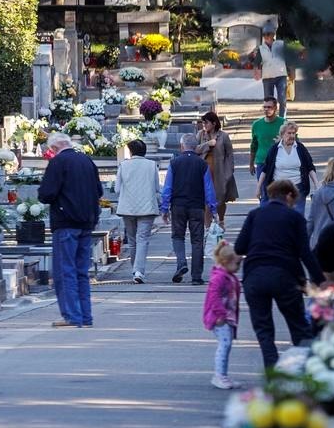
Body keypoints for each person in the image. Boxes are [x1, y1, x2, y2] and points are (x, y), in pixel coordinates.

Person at [234, 180, 325, 369]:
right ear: (289, 196)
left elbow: (239, 247)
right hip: (285, 277)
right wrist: (320, 281)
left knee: (264, 329)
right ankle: (306, 368)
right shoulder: (294, 218)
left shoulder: (254, 215)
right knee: (298, 326)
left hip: (254, 277)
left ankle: (272, 372)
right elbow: (305, 253)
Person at [38, 131, 104, 326]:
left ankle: (71, 316)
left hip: (66, 222)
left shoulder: (58, 163)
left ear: (55, 148)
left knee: (65, 270)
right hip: (87, 222)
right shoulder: (86, 161)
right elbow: (98, 191)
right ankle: (85, 316)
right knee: (82, 271)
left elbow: (46, 193)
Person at [161, 133, 218, 285]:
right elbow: (209, 189)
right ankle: (196, 276)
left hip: (178, 206)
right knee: (197, 240)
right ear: (196, 147)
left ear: (182, 146)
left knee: (178, 236)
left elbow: (167, 187)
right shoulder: (202, 164)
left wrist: (165, 208)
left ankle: (181, 263)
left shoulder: (174, 163)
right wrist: (213, 209)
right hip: (196, 206)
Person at [114, 139, 161, 283]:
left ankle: (135, 269)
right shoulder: (152, 165)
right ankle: (138, 271)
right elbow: (157, 188)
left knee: (133, 240)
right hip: (147, 207)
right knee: (142, 240)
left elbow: (117, 189)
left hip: (128, 208)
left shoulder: (124, 165)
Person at [203, 241, 243, 390]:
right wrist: (220, 314)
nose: (239, 267)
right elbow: (214, 297)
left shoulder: (229, 275)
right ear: (226, 262)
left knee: (227, 345)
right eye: (237, 264)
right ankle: (219, 376)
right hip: (220, 318)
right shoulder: (219, 277)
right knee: (225, 345)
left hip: (227, 316)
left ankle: (223, 375)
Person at [257, 122, 316, 215]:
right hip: (278, 189)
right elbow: (265, 169)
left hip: (298, 188)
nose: (292, 136)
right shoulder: (275, 149)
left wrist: (316, 184)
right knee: (278, 215)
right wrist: (259, 187)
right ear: (282, 134)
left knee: (297, 215)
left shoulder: (300, 148)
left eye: (293, 133)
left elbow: (310, 167)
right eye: (289, 133)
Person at [197, 111, 239, 224]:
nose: (204, 125)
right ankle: (207, 226)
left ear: (214, 123)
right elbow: (194, 149)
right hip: (205, 171)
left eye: (206, 123)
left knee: (220, 199)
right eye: (203, 123)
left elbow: (230, 154)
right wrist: (207, 144)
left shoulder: (223, 136)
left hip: (220, 171)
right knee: (206, 199)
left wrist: (230, 170)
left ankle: (221, 220)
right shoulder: (201, 134)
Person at [249, 98, 285, 199]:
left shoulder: (283, 123)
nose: (266, 109)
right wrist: (251, 163)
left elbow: (294, 141)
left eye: (269, 107)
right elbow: (253, 145)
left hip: (279, 162)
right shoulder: (257, 124)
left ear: (275, 108)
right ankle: (265, 213)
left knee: (278, 193)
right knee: (264, 193)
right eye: (264, 107)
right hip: (262, 162)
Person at [254, 25, 289, 114]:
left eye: (268, 34)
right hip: (267, 77)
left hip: (281, 75)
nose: (266, 36)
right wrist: (256, 72)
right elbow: (257, 62)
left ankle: (282, 119)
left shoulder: (280, 44)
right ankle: (270, 117)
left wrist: (291, 71)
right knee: (268, 101)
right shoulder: (261, 48)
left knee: (282, 99)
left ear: (273, 35)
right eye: (264, 35)